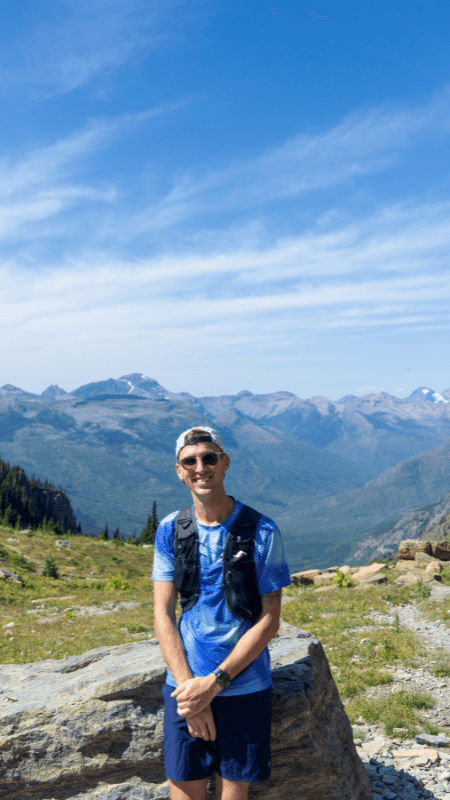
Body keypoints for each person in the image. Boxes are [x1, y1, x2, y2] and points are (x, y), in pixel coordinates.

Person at [152, 426, 291, 800]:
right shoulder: (170, 529)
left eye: (209, 458)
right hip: (183, 687)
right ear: (179, 471)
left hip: (242, 687)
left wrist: (213, 684)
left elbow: (269, 619)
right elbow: (162, 614)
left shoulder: (262, 530)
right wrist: (189, 693)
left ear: (224, 463)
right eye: (190, 461)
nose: (201, 467)